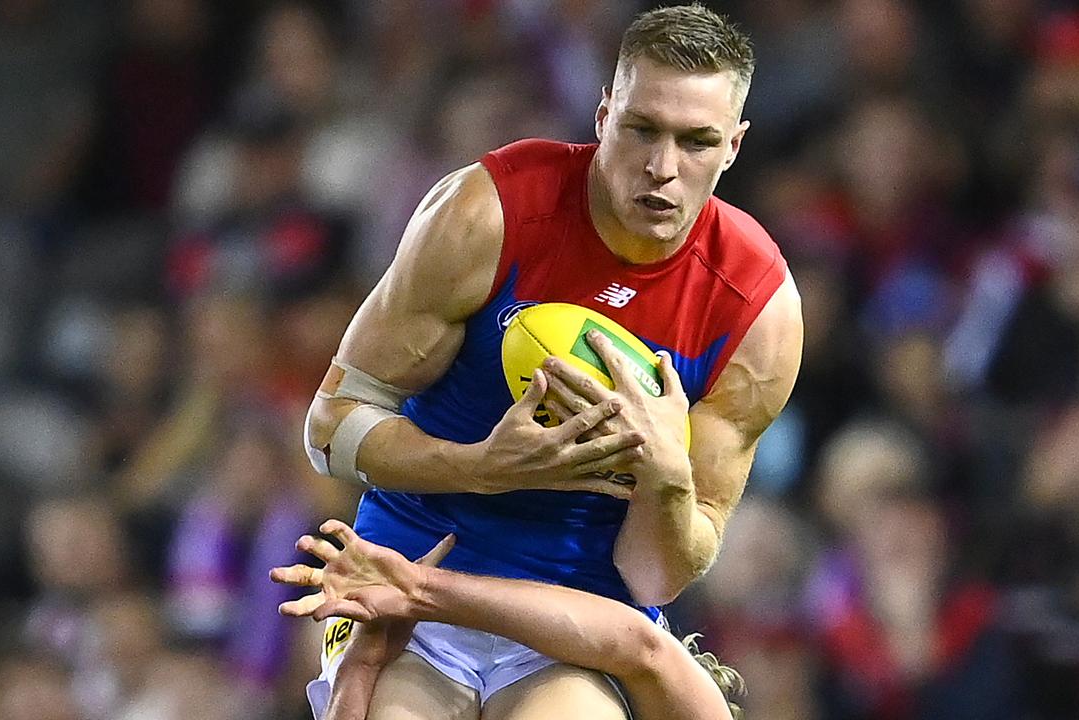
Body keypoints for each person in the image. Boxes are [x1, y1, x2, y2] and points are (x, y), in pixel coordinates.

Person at [302, 5, 802, 718]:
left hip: (572, 623)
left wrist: (664, 476)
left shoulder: (757, 309)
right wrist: (481, 467)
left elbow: (655, 577)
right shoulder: (490, 212)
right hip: (402, 583)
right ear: (602, 114)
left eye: (696, 142)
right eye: (642, 129)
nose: (663, 168)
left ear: (734, 147)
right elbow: (328, 428)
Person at [272, 519, 745, 720]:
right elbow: (635, 644)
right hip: (566, 581)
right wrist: (421, 594)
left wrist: (364, 663)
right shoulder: (672, 686)